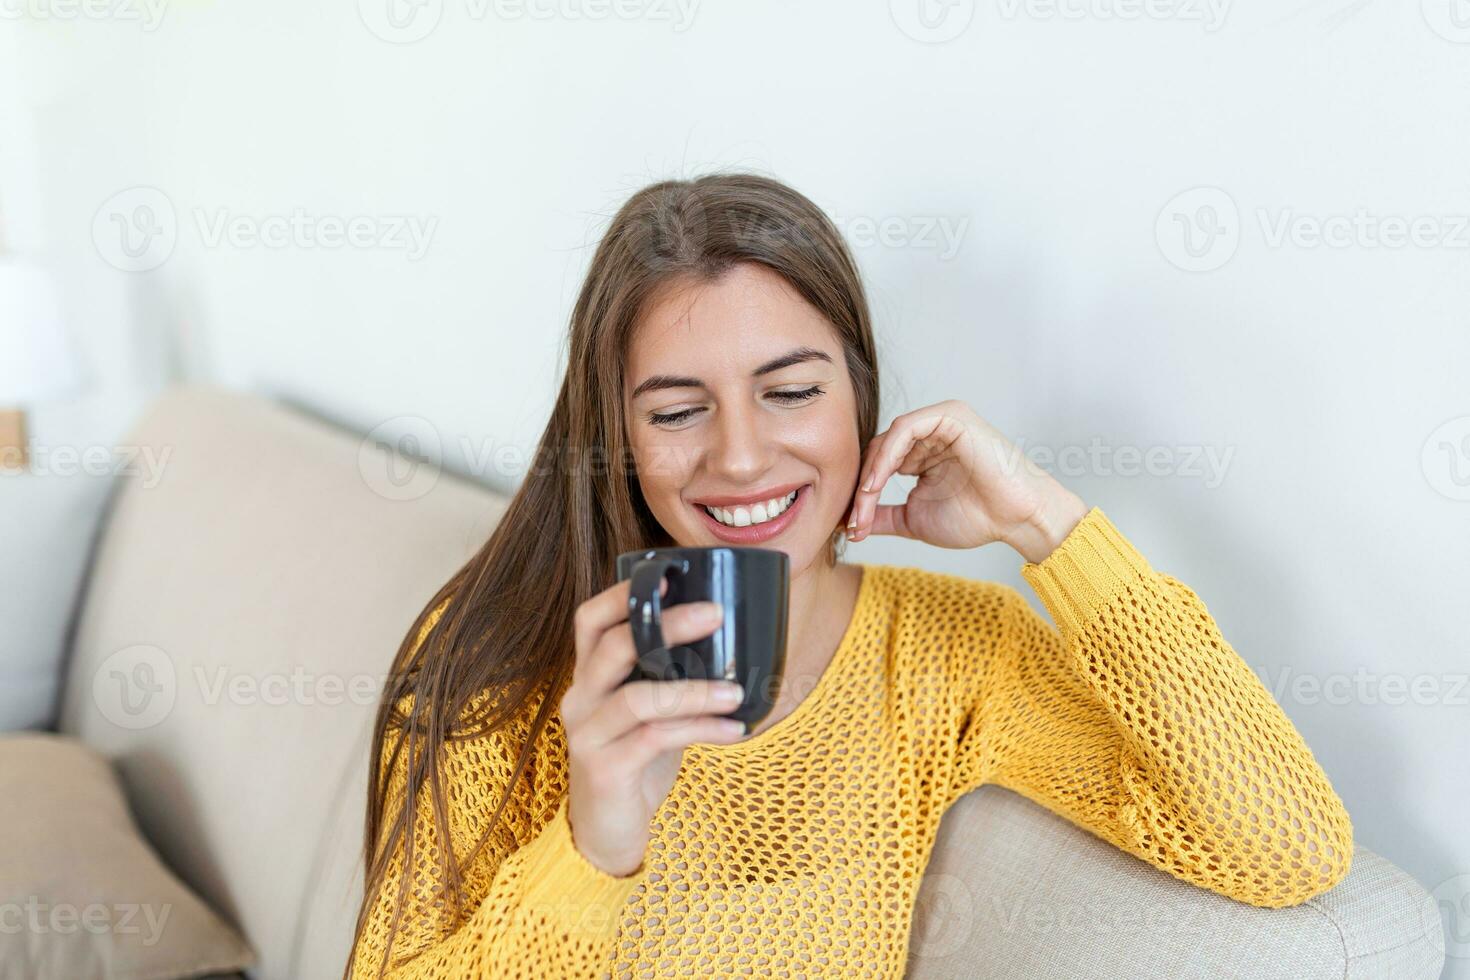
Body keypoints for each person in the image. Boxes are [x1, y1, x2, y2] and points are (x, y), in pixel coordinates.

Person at [345, 173, 1354, 979]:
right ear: (616, 439)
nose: (741, 458)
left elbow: (1285, 843)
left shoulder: (954, 652)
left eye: (789, 391)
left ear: (860, 397)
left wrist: (1049, 525)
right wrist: (594, 849)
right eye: (676, 410)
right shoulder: (500, 655)